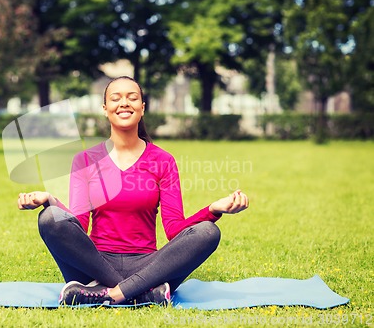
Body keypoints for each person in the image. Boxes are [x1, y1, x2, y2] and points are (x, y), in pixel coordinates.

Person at [17, 76, 249, 306]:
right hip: (95, 265)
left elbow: (174, 230)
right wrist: (51, 201)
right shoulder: (86, 160)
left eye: (132, 97)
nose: (124, 103)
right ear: (105, 109)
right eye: (116, 98)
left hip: (148, 266)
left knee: (208, 232)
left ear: (142, 108)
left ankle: (111, 294)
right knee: (49, 218)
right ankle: (142, 293)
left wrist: (213, 210)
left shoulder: (163, 161)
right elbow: (78, 224)